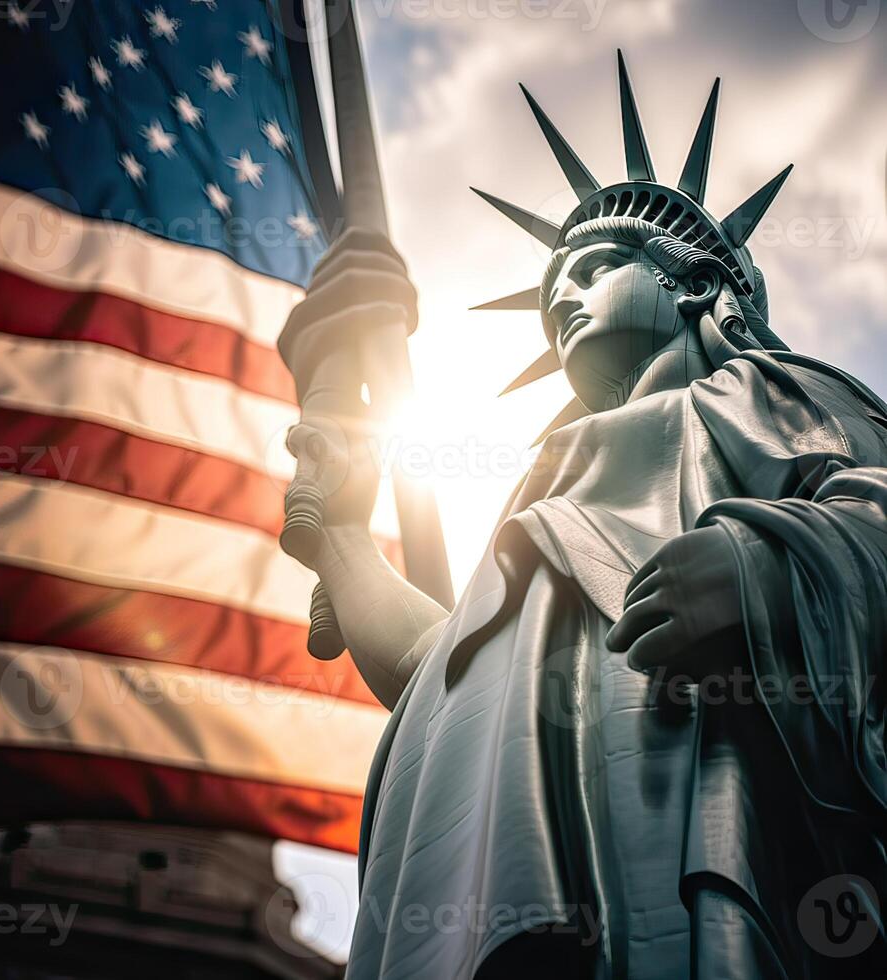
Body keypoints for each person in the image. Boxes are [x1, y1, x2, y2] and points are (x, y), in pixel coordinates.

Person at [279, 54, 886, 978]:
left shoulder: (760, 394)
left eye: (597, 265)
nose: (562, 294)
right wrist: (346, 539)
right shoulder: (549, 490)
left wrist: (764, 568)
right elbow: (443, 677)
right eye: (555, 281)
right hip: (483, 874)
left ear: (691, 284)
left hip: (699, 811)